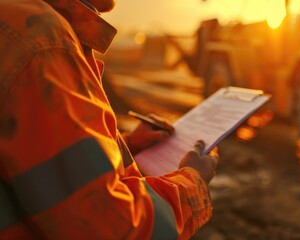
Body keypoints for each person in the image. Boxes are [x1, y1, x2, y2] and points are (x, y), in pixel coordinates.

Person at [0, 0, 219, 239]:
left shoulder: (15, 21)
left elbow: (37, 157)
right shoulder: (42, 39)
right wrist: (192, 182)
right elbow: (111, 229)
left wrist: (124, 146)